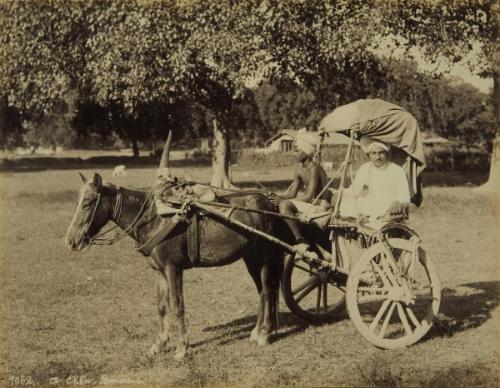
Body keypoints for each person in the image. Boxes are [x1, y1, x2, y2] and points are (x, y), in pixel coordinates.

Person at [271, 129, 332, 256]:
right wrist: (277, 196)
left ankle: (300, 240)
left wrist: (283, 201)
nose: (294, 153)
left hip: (320, 206)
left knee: (284, 205)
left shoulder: (314, 168)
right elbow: (292, 194)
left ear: (307, 151)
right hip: (310, 204)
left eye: (297, 150)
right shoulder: (298, 168)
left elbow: (310, 196)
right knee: (276, 204)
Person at [353, 140, 410, 226]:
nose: (378, 157)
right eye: (374, 153)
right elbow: (354, 189)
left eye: (381, 153)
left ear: (387, 154)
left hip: (390, 209)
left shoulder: (397, 170)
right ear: (369, 155)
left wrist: (398, 201)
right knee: (353, 203)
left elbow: (405, 196)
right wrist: (339, 194)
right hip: (371, 206)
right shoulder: (365, 168)